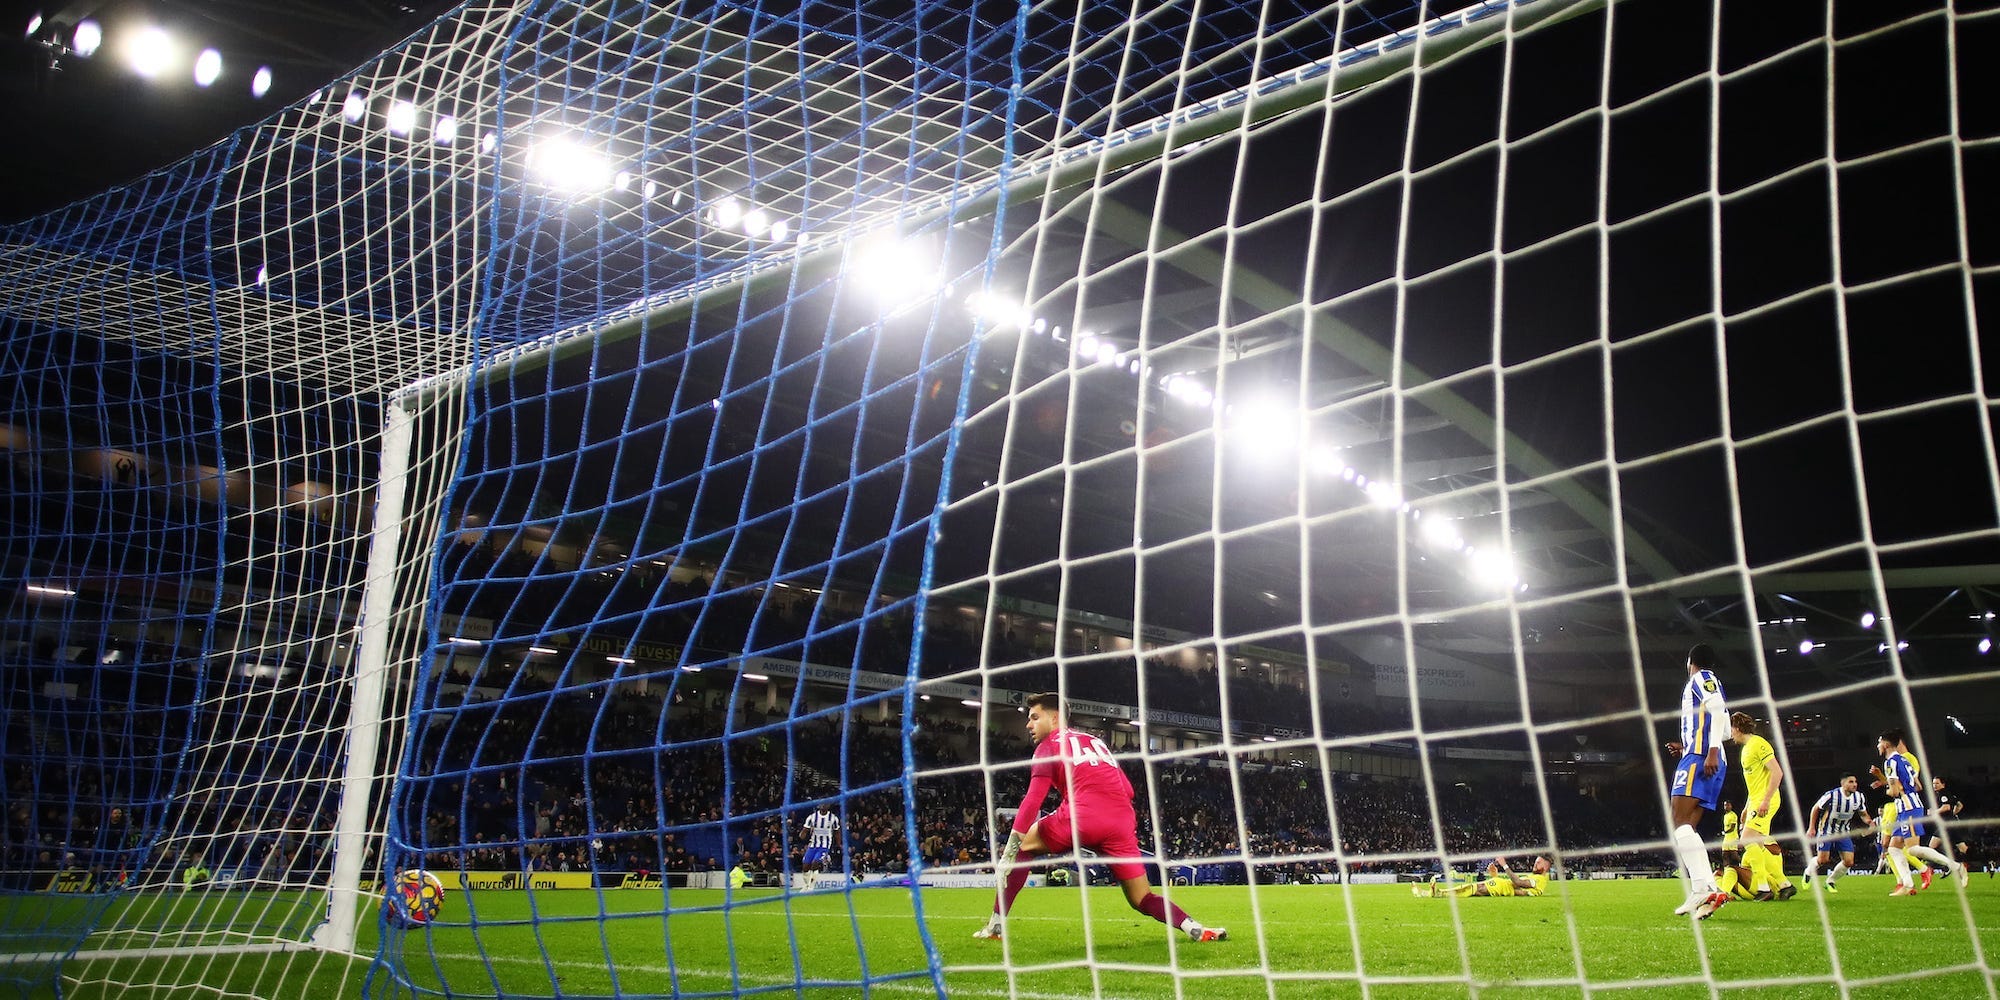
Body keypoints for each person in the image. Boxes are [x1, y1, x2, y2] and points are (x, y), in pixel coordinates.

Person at [976, 692, 1224, 943]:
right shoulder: (1096, 741)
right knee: (1142, 898)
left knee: (1024, 847)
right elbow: (1128, 790)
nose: (1028, 724)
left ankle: (995, 927)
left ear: (1055, 718)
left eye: (1034, 717)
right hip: (1121, 822)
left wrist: (1010, 849)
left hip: (1082, 816)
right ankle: (1194, 927)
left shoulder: (1048, 746)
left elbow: (1033, 799)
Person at [1663, 644, 1730, 919]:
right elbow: (1725, 728)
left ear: (1690, 661)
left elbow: (1715, 709)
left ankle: (1701, 886)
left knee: (1678, 822)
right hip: (1703, 755)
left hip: (1701, 758)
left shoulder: (1701, 678)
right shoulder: (1714, 683)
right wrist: (1689, 744)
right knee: (1687, 826)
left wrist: (1707, 750)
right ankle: (1710, 889)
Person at [1871, 729, 1964, 894]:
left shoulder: (1889, 762)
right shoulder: (1904, 761)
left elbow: (1892, 792)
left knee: (1913, 849)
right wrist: (1899, 787)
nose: (1877, 746)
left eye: (1879, 743)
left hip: (1909, 808)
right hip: (1908, 807)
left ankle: (1956, 866)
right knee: (1893, 848)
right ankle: (1907, 885)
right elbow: (1918, 786)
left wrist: (1888, 788)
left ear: (1885, 744)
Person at [1728, 712, 1795, 900]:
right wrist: (1747, 807)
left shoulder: (1759, 743)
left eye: (1731, 728)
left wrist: (1765, 800)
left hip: (1767, 800)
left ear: (1738, 728)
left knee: (1747, 838)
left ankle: (1763, 888)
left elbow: (1777, 772)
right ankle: (1784, 885)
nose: (1730, 732)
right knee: (1756, 842)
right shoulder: (1746, 749)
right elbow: (1754, 784)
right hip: (1756, 800)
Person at [1803, 774, 1869, 892]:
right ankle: (1808, 872)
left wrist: (1870, 822)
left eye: (1855, 782)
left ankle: (1830, 881)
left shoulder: (1859, 797)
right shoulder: (1832, 795)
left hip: (1843, 832)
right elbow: (1816, 808)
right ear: (1843, 784)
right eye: (1851, 782)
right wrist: (1811, 828)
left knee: (1849, 862)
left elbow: (1863, 813)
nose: (1855, 784)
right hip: (1826, 831)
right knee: (1822, 860)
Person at [797, 805, 840, 890]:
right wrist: (801, 835)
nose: (823, 806)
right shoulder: (812, 817)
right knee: (805, 866)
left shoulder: (833, 818)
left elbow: (837, 832)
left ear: (828, 806)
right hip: (813, 844)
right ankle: (806, 885)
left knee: (815, 863)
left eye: (825, 804)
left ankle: (811, 887)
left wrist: (839, 845)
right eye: (822, 804)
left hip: (825, 845)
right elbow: (805, 829)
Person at [1928, 776, 1968, 866]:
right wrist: (1953, 814)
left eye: (1937, 783)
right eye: (1933, 783)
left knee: (1931, 847)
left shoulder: (1942, 793)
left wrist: (1934, 812)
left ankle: (1945, 866)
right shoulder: (1948, 794)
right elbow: (1960, 805)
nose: (1935, 785)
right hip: (1952, 823)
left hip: (1945, 824)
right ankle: (1988, 861)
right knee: (1963, 849)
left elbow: (1946, 807)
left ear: (1943, 784)